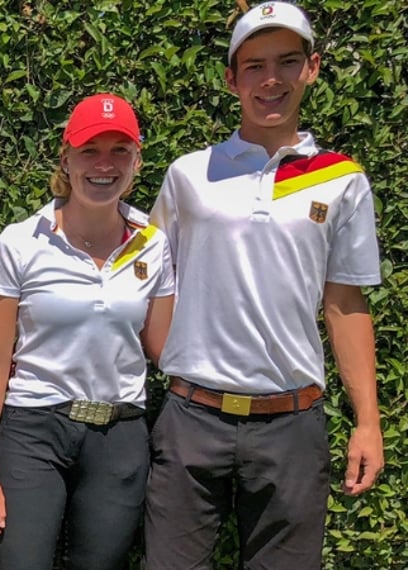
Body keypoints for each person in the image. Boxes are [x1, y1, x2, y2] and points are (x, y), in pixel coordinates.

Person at [143, 3, 384, 568]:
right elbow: (151, 282)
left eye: (287, 62)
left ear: (313, 68)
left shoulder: (342, 179)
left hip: (293, 426)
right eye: (253, 66)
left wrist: (368, 424)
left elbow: (346, 303)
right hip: (190, 419)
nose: (270, 80)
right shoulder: (189, 174)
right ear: (231, 79)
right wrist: (167, 362)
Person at [0, 93, 176, 570]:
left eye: (119, 150)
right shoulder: (20, 242)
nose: (104, 165)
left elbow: (165, 350)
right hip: (33, 431)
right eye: (90, 150)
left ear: (137, 160)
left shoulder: (154, 244)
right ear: (66, 157)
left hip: (119, 435)